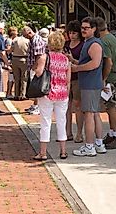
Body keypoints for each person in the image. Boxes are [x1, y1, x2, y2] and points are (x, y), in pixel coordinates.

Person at [71, 17, 107, 157]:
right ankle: (98, 143)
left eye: (86, 28)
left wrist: (77, 68)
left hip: (90, 84)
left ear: (94, 29)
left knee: (89, 114)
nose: (83, 30)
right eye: (82, 28)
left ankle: (90, 145)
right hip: (90, 83)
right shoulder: (89, 43)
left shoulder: (94, 44)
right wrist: (74, 61)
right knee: (95, 113)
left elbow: (95, 63)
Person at [34, 30, 70, 161]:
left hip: (47, 92)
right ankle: (63, 151)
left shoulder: (45, 57)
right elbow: (68, 79)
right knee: (62, 121)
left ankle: (43, 152)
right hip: (62, 93)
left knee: (45, 122)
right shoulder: (66, 59)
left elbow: (38, 73)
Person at [98, 18, 116, 149]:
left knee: (111, 107)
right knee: (109, 107)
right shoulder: (112, 38)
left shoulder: (103, 42)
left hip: (112, 78)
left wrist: (104, 78)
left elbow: (109, 63)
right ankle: (112, 133)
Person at [64, 20, 85, 142]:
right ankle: (68, 132)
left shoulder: (83, 45)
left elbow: (83, 63)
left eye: (74, 33)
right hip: (66, 77)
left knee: (78, 105)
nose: (72, 35)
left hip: (77, 77)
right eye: (70, 33)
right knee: (66, 106)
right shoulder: (66, 44)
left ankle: (79, 133)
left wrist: (72, 59)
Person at [24, 25, 47, 116]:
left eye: (25, 35)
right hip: (33, 66)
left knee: (37, 87)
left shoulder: (36, 40)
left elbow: (39, 56)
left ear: (30, 32)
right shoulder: (32, 40)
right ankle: (35, 105)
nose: (25, 37)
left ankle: (38, 107)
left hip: (36, 67)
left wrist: (35, 68)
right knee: (34, 87)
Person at [10, 28, 31, 100]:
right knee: (24, 78)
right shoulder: (28, 41)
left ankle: (16, 94)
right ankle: (23, 94)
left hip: (15, 59)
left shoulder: (15, 40)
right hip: (24, 59)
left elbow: (11, 49)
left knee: (16, 78)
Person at [3, 27, 17, 99]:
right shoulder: (9, 40)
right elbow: (8, 50)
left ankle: (9, 92)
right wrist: (14, 48)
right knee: (11, 78)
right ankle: (8, 93)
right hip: (10, 60)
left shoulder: (10, 40)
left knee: (12, 78)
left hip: (11, 60)